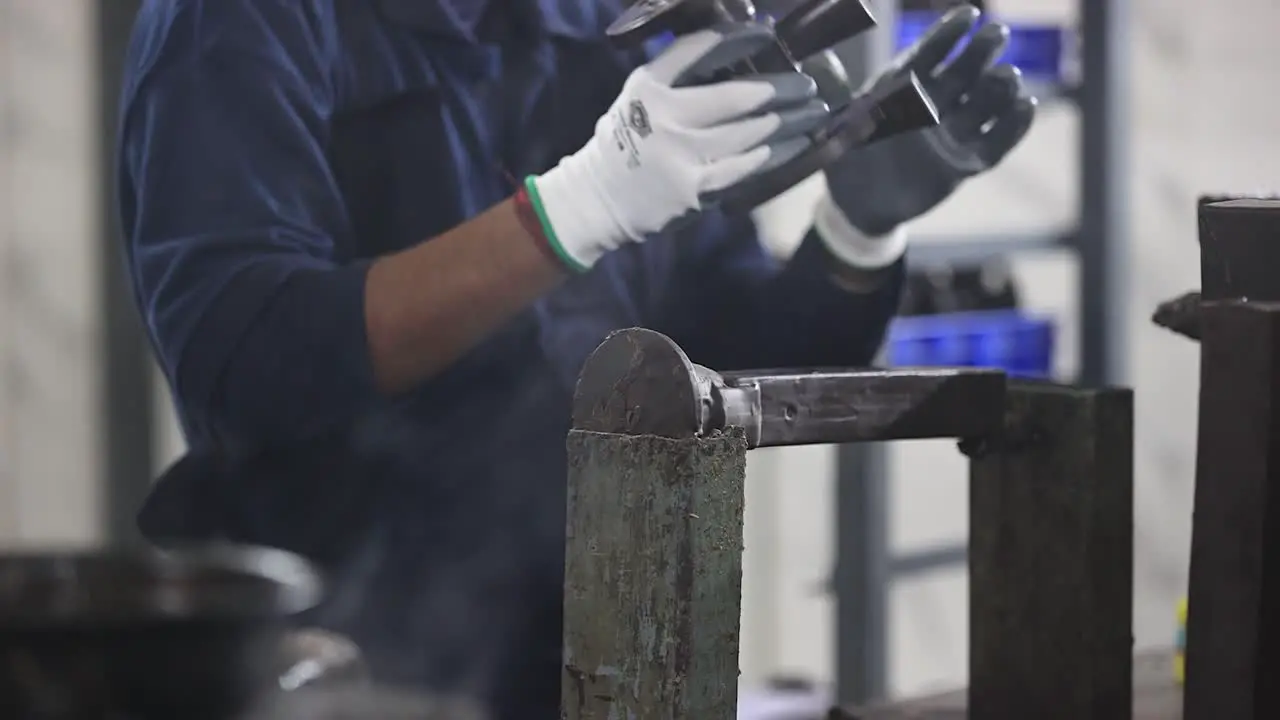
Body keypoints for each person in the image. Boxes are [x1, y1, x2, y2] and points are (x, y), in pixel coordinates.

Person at [116, 1, 1035, 718]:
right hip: (328, 658)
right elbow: (239, 361)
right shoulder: (237, 22)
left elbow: (719, 348)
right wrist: (568, 213)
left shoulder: (593, 28)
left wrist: (856, 232)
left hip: (584, 651)